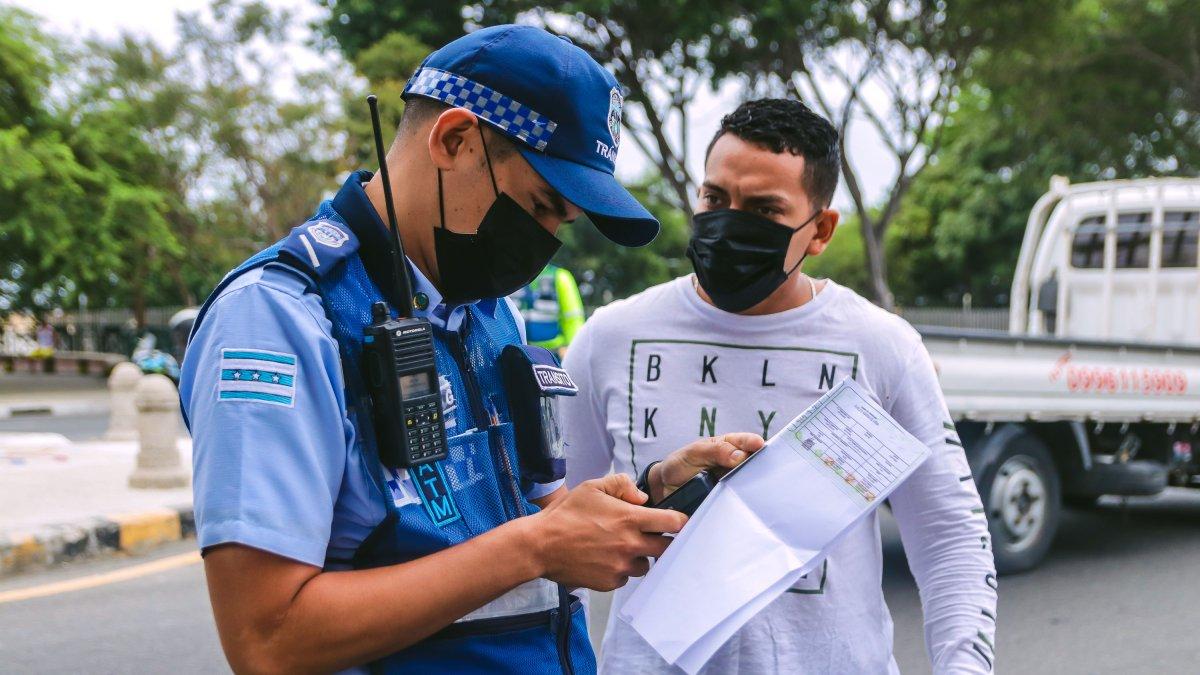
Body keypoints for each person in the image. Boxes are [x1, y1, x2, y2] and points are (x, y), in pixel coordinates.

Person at [178, 26, 762, 675]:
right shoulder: (280, 317)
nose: (542, 242)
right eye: (540, 206)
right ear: (454, 140)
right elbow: (268, 637)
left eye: (561, 223)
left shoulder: (488, 311)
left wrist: (651, 493)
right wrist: (537, 546)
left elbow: (518, 518)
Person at [562, 98, 999, 674]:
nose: (728, 223)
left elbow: (950, 540)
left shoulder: (882, 346)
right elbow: (558, 525)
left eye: (765, 210)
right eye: (715, 199)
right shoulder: (610, 337)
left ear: (819, 231)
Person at [510, 264, 586, 354]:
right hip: (517, 351)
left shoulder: (560, 276)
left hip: (553, 352)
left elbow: (573, 318)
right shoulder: (510, 276)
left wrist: (573, 350)